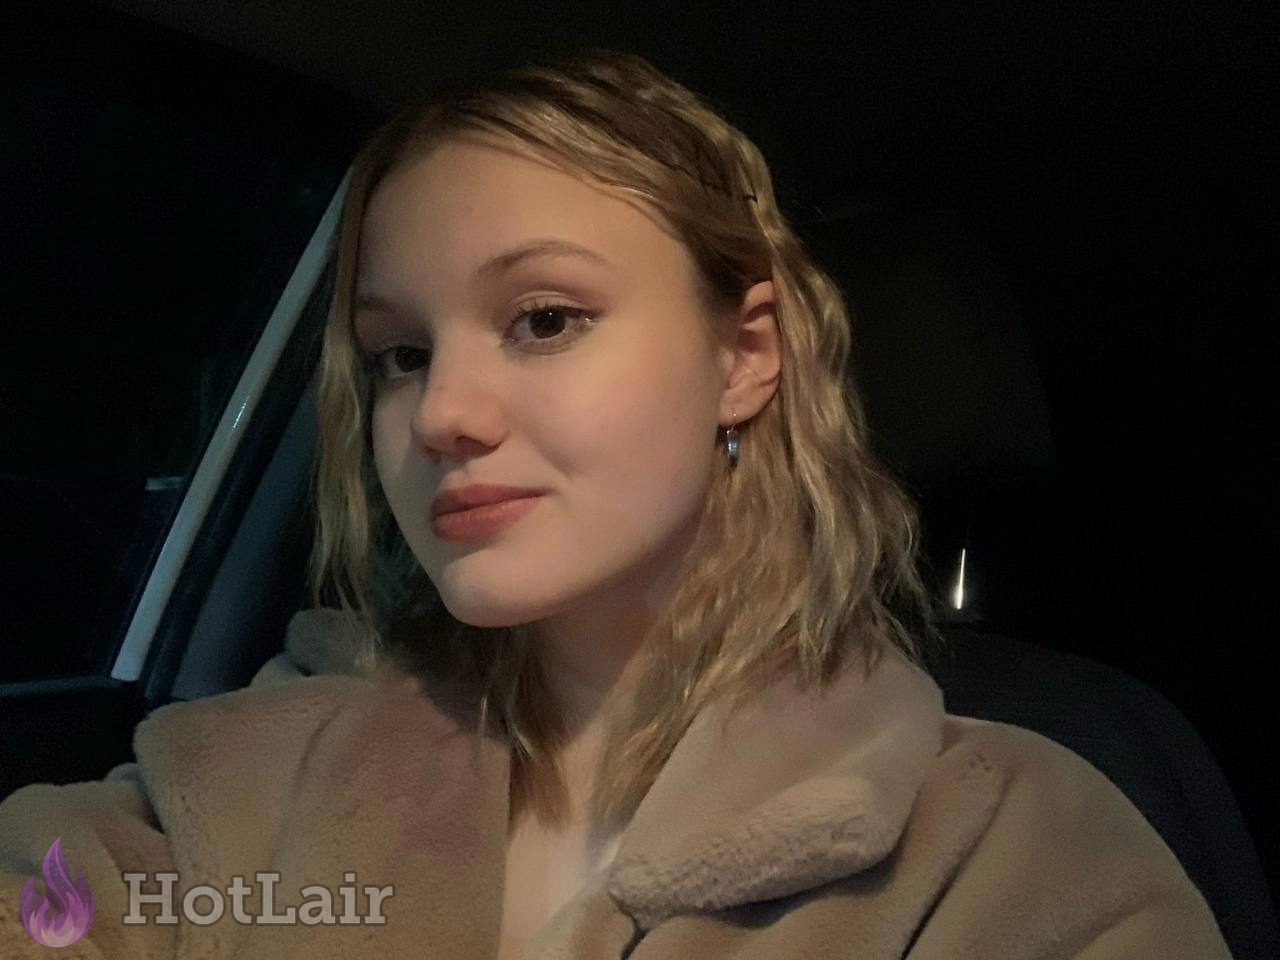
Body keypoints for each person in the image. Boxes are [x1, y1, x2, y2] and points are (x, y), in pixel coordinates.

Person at [0, 49, 1233, 960]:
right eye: (399, 355)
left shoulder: (1005, 845)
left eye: (544, 319)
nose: (438, 416)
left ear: (743, 357)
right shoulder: (250, 775)